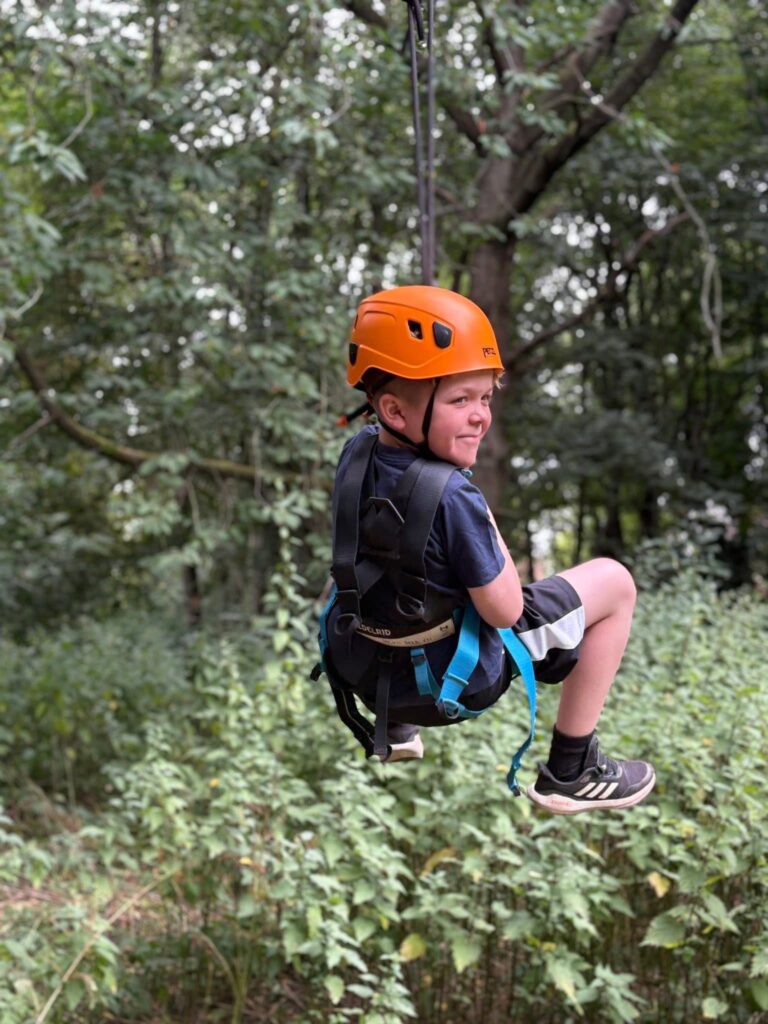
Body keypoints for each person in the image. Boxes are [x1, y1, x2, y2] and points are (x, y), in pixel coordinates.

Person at [317, 285, 655, 815]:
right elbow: (506, 609)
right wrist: (476, 504)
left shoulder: (356, 452)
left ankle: (395, 727)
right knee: (614, 583)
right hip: (454, 680)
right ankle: (572, 768)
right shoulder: (453, 496)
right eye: (459, 399)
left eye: (485, 397)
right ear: (396, 411)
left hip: (365, 667)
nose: (480, 416)